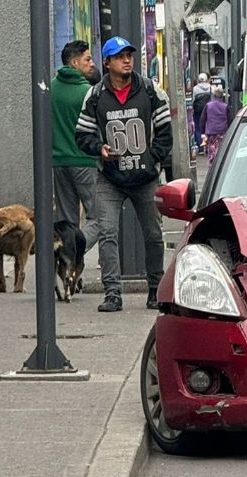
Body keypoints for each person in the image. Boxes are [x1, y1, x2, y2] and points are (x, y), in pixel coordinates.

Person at [75, 36, 172, 312]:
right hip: (110, 178)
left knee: (153, 234)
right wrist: (99, 148)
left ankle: (155, 289)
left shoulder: (150, 90)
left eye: (129, 54)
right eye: (119, 56)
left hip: (145, 179)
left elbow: (165, 131)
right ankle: (112, 294)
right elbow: (82, 134)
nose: (127, 60)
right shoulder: (95, 96)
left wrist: (154, 158)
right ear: (107, 63)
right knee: (107, 233)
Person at [51, 40, 99, 252]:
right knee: (99, 217)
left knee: (67, 220)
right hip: (86, 161)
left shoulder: (49, 89)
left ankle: (67, 266)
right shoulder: (88, 92)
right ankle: (75, 249)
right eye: (87, 59)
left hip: (59, 162)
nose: (92, 63)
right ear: (74, 62)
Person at [200, 86, 232, 164]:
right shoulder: (225, 106)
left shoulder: (208, 106)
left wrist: (203, 132)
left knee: (212, 150)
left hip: (211, 133)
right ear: (222, 96)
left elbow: (203, 119)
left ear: (214, 95)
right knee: (221, 150)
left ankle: (212, 164)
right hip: (222, 133)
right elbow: (230, 120)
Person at [192, 73, 212, 153]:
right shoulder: (210, 87)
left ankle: (200, 147)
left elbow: (192, 99)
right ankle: (207, 146)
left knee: (198, 127)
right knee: (207, 126)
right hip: (208, 110)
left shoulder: (195, 89)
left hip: (198, 111)